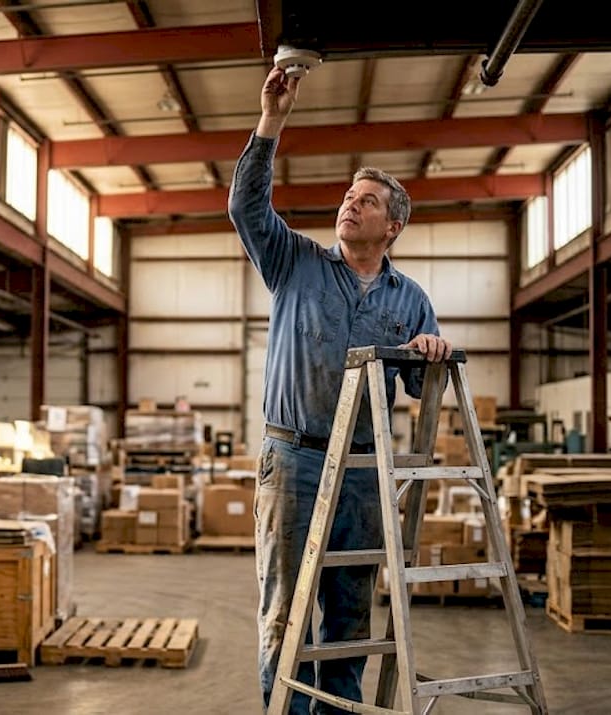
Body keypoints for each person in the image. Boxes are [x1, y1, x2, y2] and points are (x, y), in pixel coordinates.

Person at [228, 66, 453, 714]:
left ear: (392, 226)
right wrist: (271, 120)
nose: (350, 204)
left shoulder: (410, 300)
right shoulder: (294, 262)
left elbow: (422, 385)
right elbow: (246, 207)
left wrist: (430, 351)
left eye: (368, 200)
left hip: (361, 467)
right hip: (293, 459)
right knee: (287, 610)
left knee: (351, 611)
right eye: (349, 196)